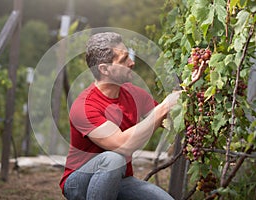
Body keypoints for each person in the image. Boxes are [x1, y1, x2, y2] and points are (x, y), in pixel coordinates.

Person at [59, 32, 181, 200]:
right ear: (104, 69)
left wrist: (188, 89)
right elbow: (121, 146)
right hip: (79, 182)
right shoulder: (85, 106)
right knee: (114, 158)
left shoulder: (134, 94)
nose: (132, 63)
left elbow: (168, 120)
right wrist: (164, 106)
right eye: (124, 59)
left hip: (120, 179)